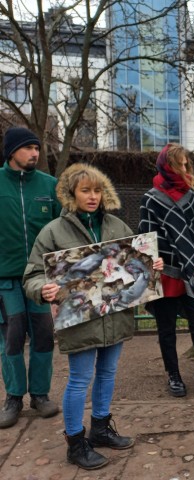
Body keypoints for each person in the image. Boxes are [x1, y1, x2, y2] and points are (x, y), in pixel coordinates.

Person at [22, 163, 164, 470]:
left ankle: (100, 429)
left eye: (97, 190)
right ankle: (75, 443)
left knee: (108, 372)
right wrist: (42, 289)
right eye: (86, 190)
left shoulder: (116, 226)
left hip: (115, 316)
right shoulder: (53, 231)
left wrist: (151, 266)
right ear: (71, 193)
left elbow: (135, 262)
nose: (93, 196)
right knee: (79, 379)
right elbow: (32, 274)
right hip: (80, 319)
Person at [138, 143, 194, 401]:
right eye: (179, 163)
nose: (184, 168)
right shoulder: (151, 198)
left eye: (186, 163)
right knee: (166, 328)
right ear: (167, 165)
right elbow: (145, 235)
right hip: (165, 271)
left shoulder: (191, 195)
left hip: (189, 271)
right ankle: (173, 375)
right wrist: (152, 261)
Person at [0, 127, 61, 429]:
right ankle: (13, 397)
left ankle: (40, 393)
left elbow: (66, 228)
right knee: (11, 339)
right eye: (28, 148)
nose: (35, 153)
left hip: (41, 278)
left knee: (44, 336)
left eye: (37, 148)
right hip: (6, 278)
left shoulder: (50, 186)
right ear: (12, 152)